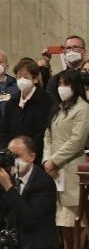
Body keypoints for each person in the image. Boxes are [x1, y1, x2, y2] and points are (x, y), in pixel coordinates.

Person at [43, 70, 89, 228]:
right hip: (53, 170)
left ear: (75, 86)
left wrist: (54, 160)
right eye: (60, 84)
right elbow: (48, 136)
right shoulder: (58, 108)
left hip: (71, 167)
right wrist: (47, 160)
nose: (61, 87)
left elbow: (76, 141)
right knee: (59, 218)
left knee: (76, 217)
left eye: (66, 84)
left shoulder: (83, 108)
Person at [0, 58, 55, 161]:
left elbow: (44, 131)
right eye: (19, 77)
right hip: (12, 156)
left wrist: (26, 150)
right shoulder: (12, 101)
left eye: (26, 77)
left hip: (36, 156)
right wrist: (9, 150)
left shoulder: (45, 100)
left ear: (35, 79)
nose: (21, 80)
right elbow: (4, 130)